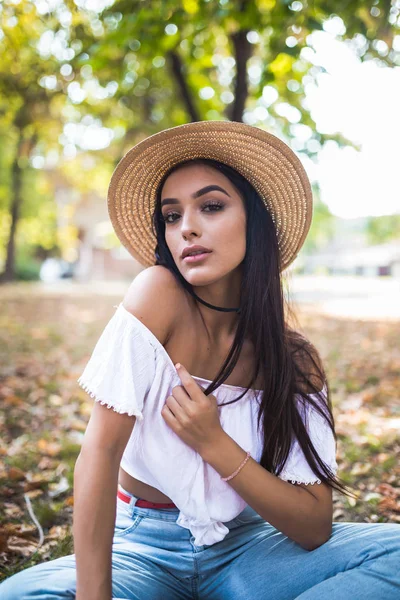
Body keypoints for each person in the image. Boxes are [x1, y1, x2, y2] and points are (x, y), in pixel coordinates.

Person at [1, 121, 399, 599]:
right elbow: (98, 455)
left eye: (210, 206)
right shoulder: (157, 294)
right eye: (171, 216)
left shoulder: (294, 360)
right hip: (142, 550)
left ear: (256, 221)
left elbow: (314, 526)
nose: (186, 226)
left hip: (249, 551)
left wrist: (215, 443)